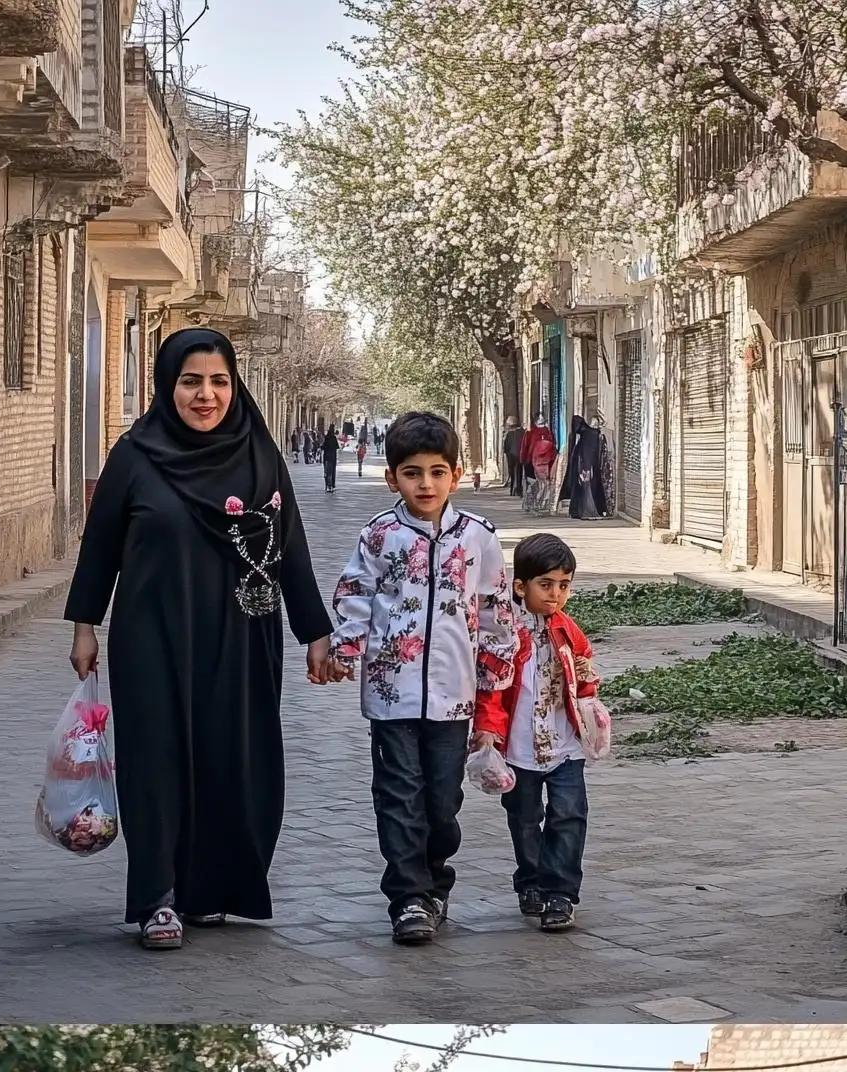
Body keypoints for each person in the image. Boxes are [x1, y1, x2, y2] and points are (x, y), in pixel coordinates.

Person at [63, 330, 335, 947]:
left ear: (233, 385)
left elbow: (291, 549)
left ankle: (211, 889)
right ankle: (158, 896)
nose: (206, 395)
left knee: (230, 759)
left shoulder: (261, 458)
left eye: (218, 381)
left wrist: (315, 633)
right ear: (168, 385)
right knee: (155, 761)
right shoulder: (135, 455)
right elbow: (100, 546)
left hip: (242, 636)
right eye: (191, 381)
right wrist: (86, 626)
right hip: (151, 636)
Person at [325, 410, 518, 947]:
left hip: (455, 697)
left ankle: (435, 880)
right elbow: (356, 594)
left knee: (441, 801)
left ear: (455, 475)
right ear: (393, 478)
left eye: (437, 472)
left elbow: (496, 610)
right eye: (412, 473)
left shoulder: (478, 537)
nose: (425, 483)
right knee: (398, 794)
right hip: (391, 694)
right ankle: (408, 896)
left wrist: (493, 683)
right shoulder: (380, 535)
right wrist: (346, 646)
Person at [473, 532, 602, 936]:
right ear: (519, 586)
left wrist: (588, 689)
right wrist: (488, 730)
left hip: (565, 746)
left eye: (564, 585)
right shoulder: (505, 635)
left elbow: (583, 673)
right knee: (525, 818)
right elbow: (491, 686)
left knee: (569, 814)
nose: (556, 594)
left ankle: (560, 892)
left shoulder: (569, 630)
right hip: (519, 749)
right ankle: (530, 881)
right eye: (546, 585)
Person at [556, 414, 609, 519]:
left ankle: (587, 511)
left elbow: (588, 455)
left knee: (587, 491)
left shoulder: (590, 435)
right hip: (582, 469)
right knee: (581, 491)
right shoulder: (584, 435)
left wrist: (586, 469)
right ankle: (577, 511)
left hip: (587, 470)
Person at [321, 423, 340, 493]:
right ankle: (331, 485)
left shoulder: (327, 437)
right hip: (333, 458)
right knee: (332, 472)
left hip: (326, 457)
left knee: (327, 472)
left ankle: (327, 485)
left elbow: (324, 446)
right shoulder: (334, 438)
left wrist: (322, 447)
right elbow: (337, 447)